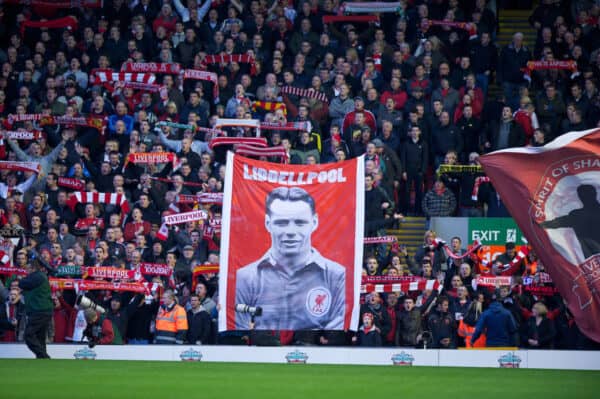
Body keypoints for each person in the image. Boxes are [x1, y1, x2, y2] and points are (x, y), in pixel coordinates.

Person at [235, 187, 346, 330]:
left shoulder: (337, 275)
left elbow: (338, 327)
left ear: (314, 222)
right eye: (281, 223)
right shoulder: (245, 277)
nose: (291, 232)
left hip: (316, 349)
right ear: (268, 223)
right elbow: (239, 328)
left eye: (300, 223)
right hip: (264, 349)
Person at [541, 184, 600, 260]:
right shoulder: (576, 215)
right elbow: (556, 223)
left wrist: (536, 224)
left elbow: (555, 223)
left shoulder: (576, 216)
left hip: (593, 261)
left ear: (580, 198)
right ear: (594, 194)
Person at [18, 258, 53, 358]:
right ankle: (42, 359)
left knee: (28, 335)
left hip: (39, 311)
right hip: (43, 310)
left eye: (27, 268)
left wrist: (21, 279)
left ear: (33, 268)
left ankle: (43, 356)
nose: (26, 271)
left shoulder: (37, 276)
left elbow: (23, 283)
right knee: (40, 337)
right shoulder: (40, 276)